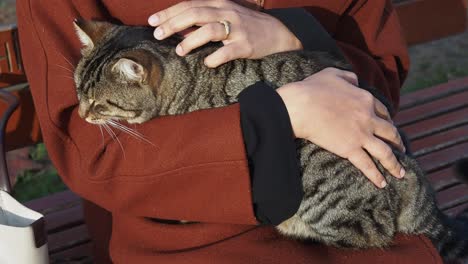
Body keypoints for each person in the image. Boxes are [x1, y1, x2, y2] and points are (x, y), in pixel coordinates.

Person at [16, 0, 442, 263]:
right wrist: (277, 119)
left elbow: (382, 80)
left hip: (352, 207)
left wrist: (296, 35)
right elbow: (86, 152)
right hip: (184, 235)